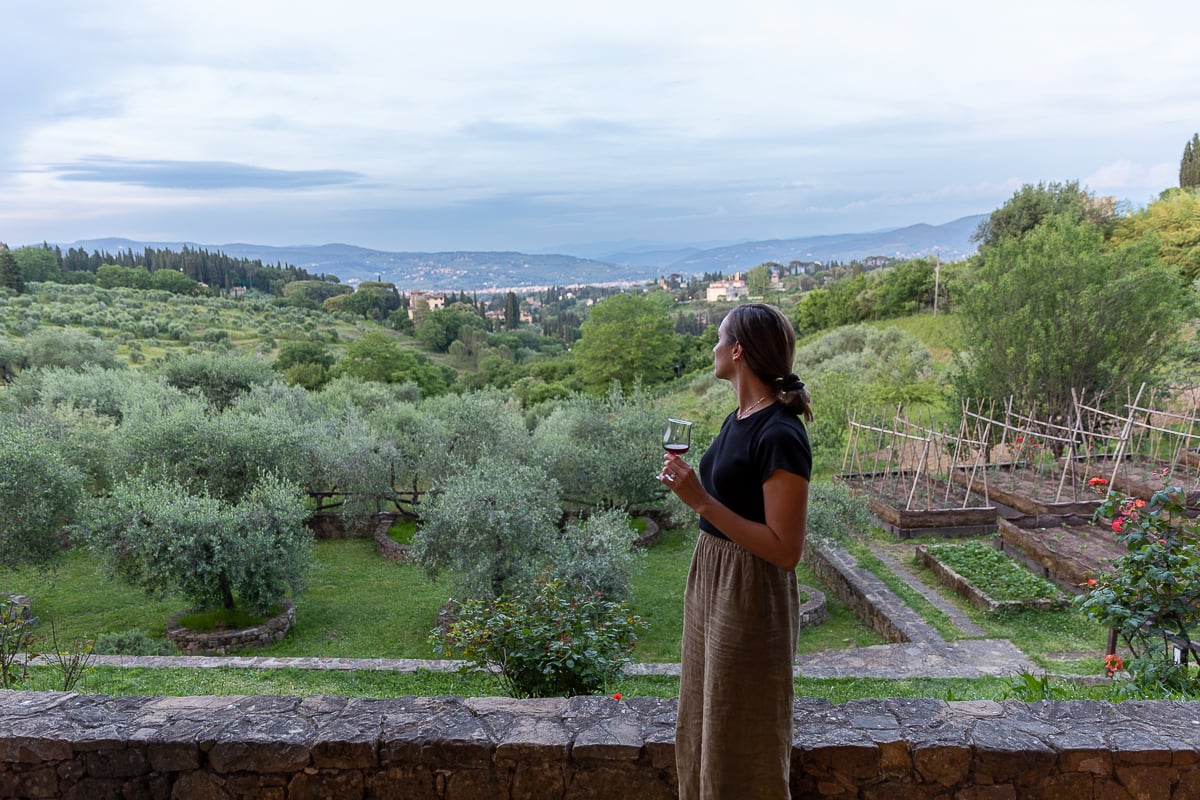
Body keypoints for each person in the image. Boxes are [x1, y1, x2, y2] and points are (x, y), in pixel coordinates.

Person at [659, 302, 812, 800]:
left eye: (718, 339)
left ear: (738, 350)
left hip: (750, 592)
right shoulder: (740, 416)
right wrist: (698, 498)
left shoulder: (781, 434)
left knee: (742, 726)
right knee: (706, 714)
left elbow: (786, 549)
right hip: (713, 580)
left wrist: (699, 499)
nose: (713, 348)